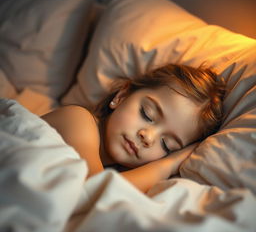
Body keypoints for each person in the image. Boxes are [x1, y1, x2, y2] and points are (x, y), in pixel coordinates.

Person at [42, 64, 225, 193]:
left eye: (166, 144)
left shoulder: (124, 174)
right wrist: (167, 165)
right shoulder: (77, 119)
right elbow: (95, 190)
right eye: (147, 114)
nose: (148, 137)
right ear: (121, 96)